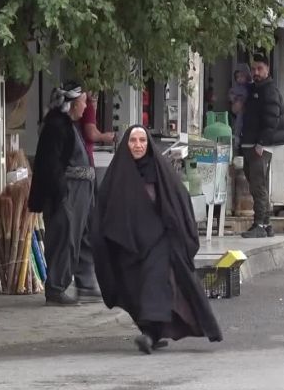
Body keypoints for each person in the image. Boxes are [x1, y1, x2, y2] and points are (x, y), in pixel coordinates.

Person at [93, 127, 223, 354]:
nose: (138, 145)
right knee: (136, 290)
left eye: (142, 140)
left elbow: (178, 200)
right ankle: (153, 331)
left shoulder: (160, 171)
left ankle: (151, 335)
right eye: (133, 140)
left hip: (159, 242)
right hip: (129, 247)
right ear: (126, 144)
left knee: (156, 285)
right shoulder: (118, 175)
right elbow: (104, 211)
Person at [28, 80, 101, 306]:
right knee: (64, 239)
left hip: (80, 194)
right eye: (82, 102)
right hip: (67, 194)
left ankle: (86, 284)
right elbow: (50, 165)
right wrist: (61, 196)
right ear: (70, 104)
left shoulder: (69, 125)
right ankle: (56, 289)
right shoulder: (56, 126)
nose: (85, 106)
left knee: (83, 238)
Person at [240, 53, 284, 239]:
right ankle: (267, 224)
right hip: (252, 143)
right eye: (253, 69)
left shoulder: (269, 90)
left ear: (268, 69)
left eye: (260, 68)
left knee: (258, 185)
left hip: (260, 146)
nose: (256, 72)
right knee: (256, 184)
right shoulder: (255, 89)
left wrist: (261, 143)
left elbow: (272, 119)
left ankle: (259, 223)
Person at [79, 91, 117, 167]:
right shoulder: (88, 107)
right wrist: (104, 137)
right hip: (84, 155)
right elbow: (91, 134)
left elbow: (93, 129)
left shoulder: (85, 106)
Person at [228, 64, 252, 149]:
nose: (239, 79)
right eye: (237, 77)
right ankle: (236, 137)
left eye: (242, 76)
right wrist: (234, 99)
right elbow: (231, 95)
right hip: (239, 114)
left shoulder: (251, 87)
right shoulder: (236, 87)